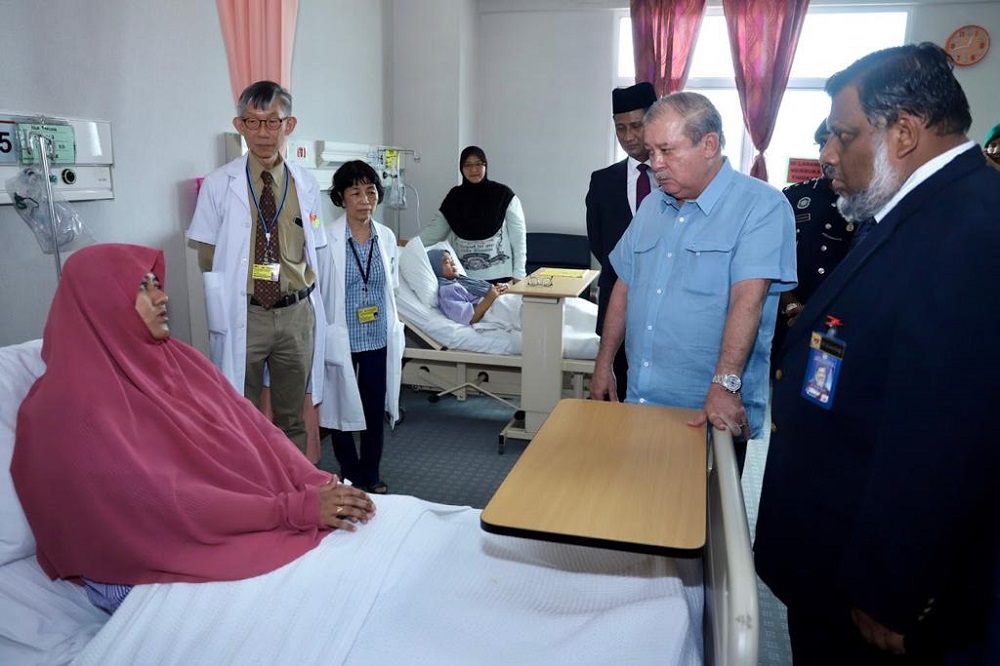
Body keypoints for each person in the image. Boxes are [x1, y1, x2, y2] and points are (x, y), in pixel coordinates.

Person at [754, 43, 1000, 663]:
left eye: (842, 135)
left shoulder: (971, 232)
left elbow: (945, 439)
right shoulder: (916, 213)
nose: (827, 153)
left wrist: (888, 588)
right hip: (836, 556)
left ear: (906, 132)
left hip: (883, 590)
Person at [10, 244, 374, 613]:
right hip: (142, 564)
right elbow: (163, 502)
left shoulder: (176, 358)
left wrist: (312, 483)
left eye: (157, 283)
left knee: (356, 571)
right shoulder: (67, 409)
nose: (162, 295)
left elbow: (254, 427)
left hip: (237, 516)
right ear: (102, 300)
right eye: (143, 287)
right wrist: (292, 511)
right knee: (305, 608)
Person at [589, 92, 796, 454]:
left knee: (703, 511)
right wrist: (604, 363)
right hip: (641, 400)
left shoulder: (761, 207)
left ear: (709, 144)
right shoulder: (653, 206)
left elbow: (748, 300)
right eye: (651, 152)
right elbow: (624, 286)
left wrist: (726, 386)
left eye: (667, 151)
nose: (655, 164)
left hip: (708, 410)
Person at [188, 80, 327, 454]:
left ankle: (301, 493)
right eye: (253, 122)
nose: (263, 133)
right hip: (245, 314)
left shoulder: (306, 183)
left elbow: (316, 249)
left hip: (296, 313)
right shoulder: (219, 185)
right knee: (239, 413)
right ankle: (252, 496)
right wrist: (224, 307)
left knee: (292, 416)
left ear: (289, 125)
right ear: (239, 126)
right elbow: (207, 256)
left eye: (272, 122)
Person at [317, 160, 404, 495]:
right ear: (341, 198)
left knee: (372, 405)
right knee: (340, 405)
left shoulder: (387, 237)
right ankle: (349, 471)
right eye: (355, 192)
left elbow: (390, 286)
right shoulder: (327, 240)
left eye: (370, 191)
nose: (364, 199)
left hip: (377, 336)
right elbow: (323, 291)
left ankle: (371, 472)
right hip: (342, 336)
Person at [585, 81, 658, 400]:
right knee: (617, 394)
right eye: (620, 128)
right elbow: (598, 243)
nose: (628, 137)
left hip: (666, 306)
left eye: (636, 126)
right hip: (618, 303)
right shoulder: (603, 181)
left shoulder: (678, 178)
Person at [772, 121, 857, 357]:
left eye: (838, 141)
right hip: (788, 318)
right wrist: (791, 306)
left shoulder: (869, 202)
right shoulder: (792, 197)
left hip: (839, 325)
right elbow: (770, 259)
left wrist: (820, 312)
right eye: (822, 143)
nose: (827, 152)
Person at [419, 146, 526, 284]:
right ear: (461, 168)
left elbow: (518, 239)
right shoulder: (454, 197)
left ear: (485, 165)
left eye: (478, 164)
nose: (473, 169)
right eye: (467, 165)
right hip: (463, 278)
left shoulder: (504, 195)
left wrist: (519, 274)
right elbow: (434, 232)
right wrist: (409, 246)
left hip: (500, 278)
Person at [427, 248, 507, 325]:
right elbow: (470, 317)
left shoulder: (462, 280)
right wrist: (491, 296)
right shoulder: (447, 290)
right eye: (447, 262)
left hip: (498, 301)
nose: (453, 263)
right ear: (436, 268)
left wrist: (502, 288)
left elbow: (488, 291)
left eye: (452, 260)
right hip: (492, 309)